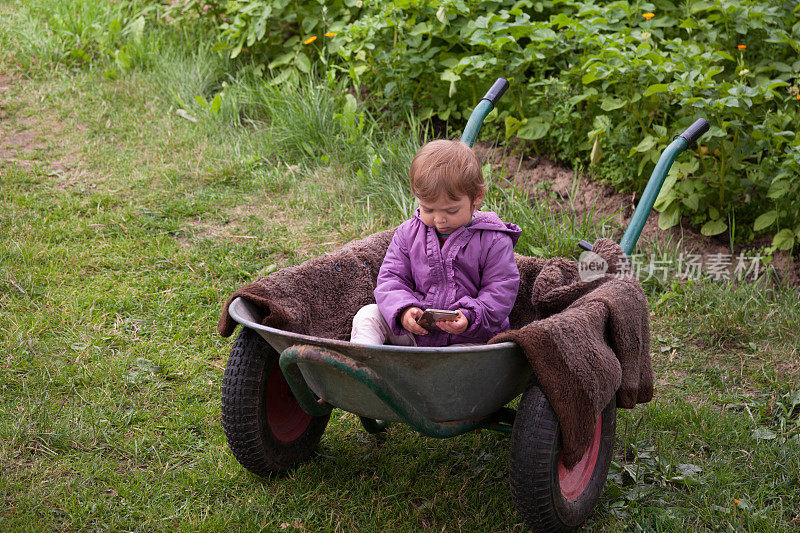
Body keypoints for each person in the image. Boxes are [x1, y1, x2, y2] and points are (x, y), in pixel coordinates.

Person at [350, 139, 521, 347]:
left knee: (467, 360)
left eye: (451, 211)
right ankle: (367, 364)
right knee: (367, 315)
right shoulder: (408, 234)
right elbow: (391, 279)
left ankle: (438, 375)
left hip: (468, 337)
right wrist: (404, 311)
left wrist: (470, 316)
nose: (439, 220)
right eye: (428, 209)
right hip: (417, 332)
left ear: (477, 197)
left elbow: (501, 290)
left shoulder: (493, 240)